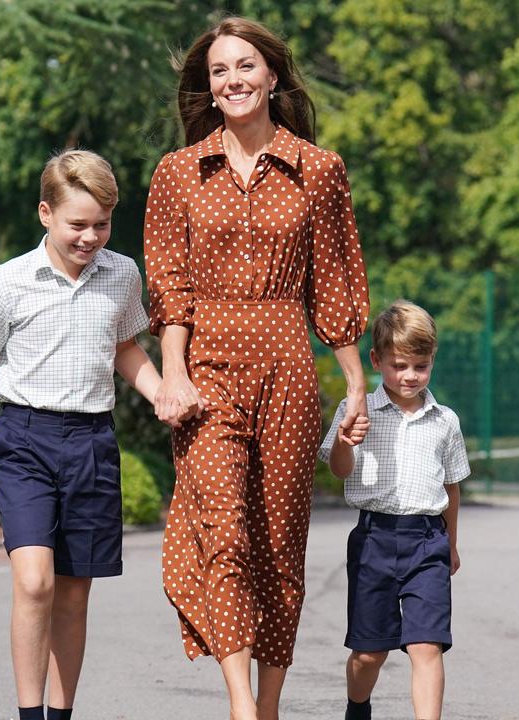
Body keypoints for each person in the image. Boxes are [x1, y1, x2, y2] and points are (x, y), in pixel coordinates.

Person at [143, 16, 370, 720]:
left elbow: (333, 283)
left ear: (272, 76)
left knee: (278, 542)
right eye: (219, 71)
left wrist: (356, 383)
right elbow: (169, 285)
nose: (232, 80)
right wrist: (173, 375)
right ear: (208, 88)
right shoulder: (178, 173)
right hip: (206, 369)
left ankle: (267, 706)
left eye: (245, 66)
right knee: (225, 531)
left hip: (287, 370)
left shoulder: (320, 169)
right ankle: (241, 702)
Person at [0, 150, 161, 720]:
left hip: (92, 443)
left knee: (73, 591)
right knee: (35, 581)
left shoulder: (121, 274)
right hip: (25, 441)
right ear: (45, 213)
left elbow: (125, 348)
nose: (91, 237)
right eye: (77, 224)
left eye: (102, 224)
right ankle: (29, 713)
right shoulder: (9, 282)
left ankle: (62, 713)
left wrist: (161, 393)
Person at [319, 300, 469, 720]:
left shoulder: (445, 421)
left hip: (428, 542)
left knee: (427, 645)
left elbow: (451, 490)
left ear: (432, 361)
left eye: (420, 366)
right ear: (376, 360)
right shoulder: (355, 410)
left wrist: (451, 545)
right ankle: (358, 705)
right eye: (399, 365)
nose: (410, 376)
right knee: (370, 653)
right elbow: (337, 470)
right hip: (373, 542)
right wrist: (347, 441)